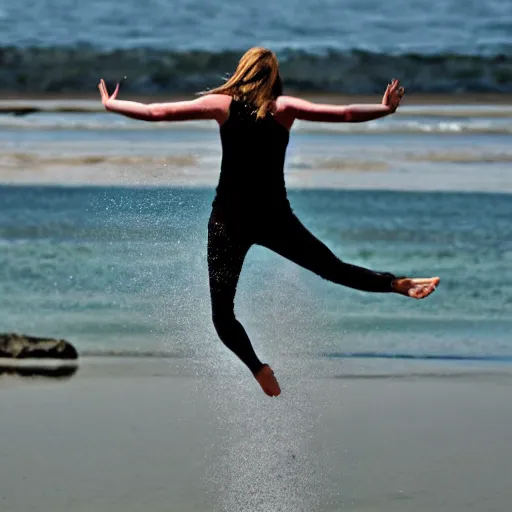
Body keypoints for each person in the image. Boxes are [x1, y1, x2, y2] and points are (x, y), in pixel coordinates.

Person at [98, 47, 440, 398]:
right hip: (274, 218)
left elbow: (157, 112)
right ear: (274, 76)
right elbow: (346, 114)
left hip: (229, 220)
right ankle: (396, 284)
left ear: (242, 71)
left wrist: (113, 105)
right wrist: (385, 109)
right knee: (333, 269)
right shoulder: (284, 109)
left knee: (222, 316)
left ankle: (257, 367)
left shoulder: (221, 105)